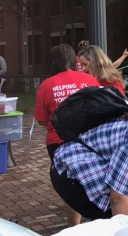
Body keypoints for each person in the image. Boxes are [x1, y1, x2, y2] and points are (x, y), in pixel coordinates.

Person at [35, 44, 100, 226]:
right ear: (74, 60)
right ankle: (97, 216)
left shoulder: (47, 85)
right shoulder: (90, 80)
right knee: (93, 177)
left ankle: (75, 226)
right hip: (90, 139)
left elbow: (41, 119)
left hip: (59, 142)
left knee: (69, 184)